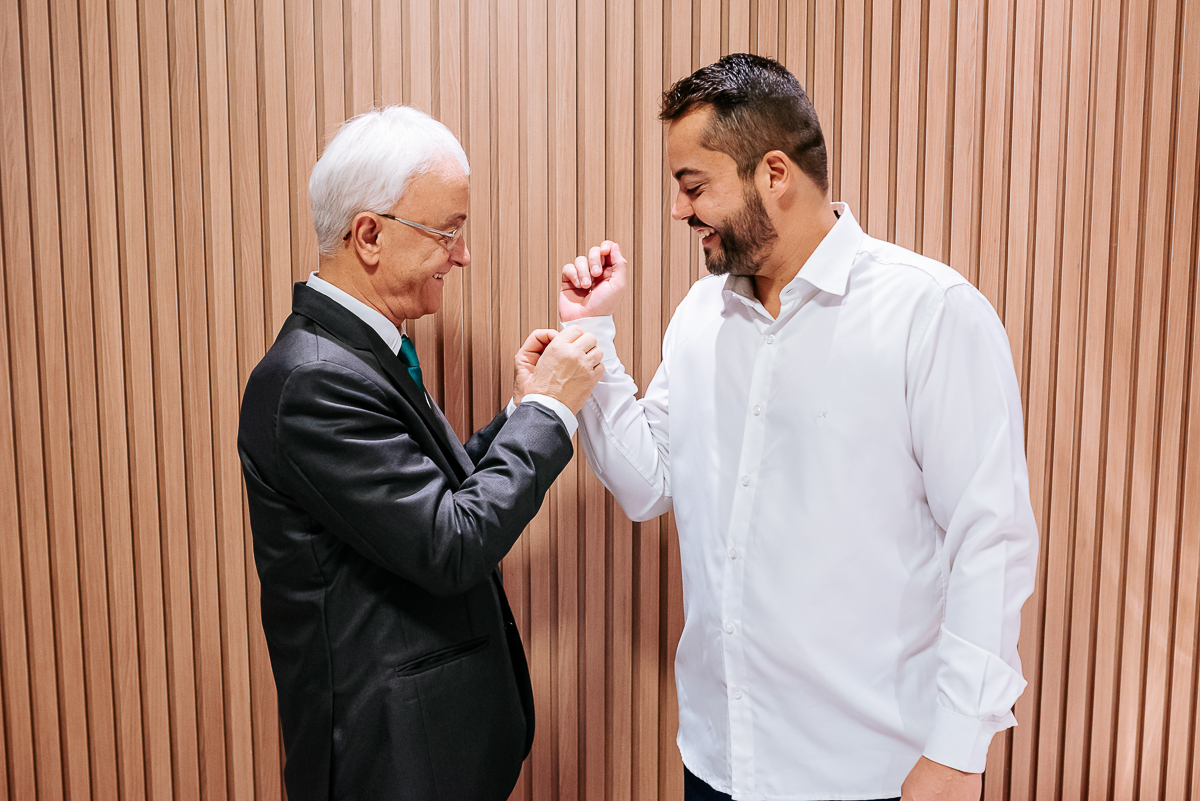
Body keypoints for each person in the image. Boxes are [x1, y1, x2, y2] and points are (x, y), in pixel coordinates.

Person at [559, 54, 1038, 801]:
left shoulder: (930, 313)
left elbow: (992, 540)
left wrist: (959, 748)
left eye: (693, 187)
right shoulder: (699, 316)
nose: (679, 212)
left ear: (773, 173)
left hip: (869, 775)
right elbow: (647, 483)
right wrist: (591, 335)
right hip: (718, 763)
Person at [238, 105, 603, 801]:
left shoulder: (359, 351)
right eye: (447, 231)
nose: (462, 255)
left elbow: (421, 501)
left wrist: (519, 412)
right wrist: (552, 411)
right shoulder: (310, 379)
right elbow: (449, 541)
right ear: (369, 235)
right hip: (390, 769)